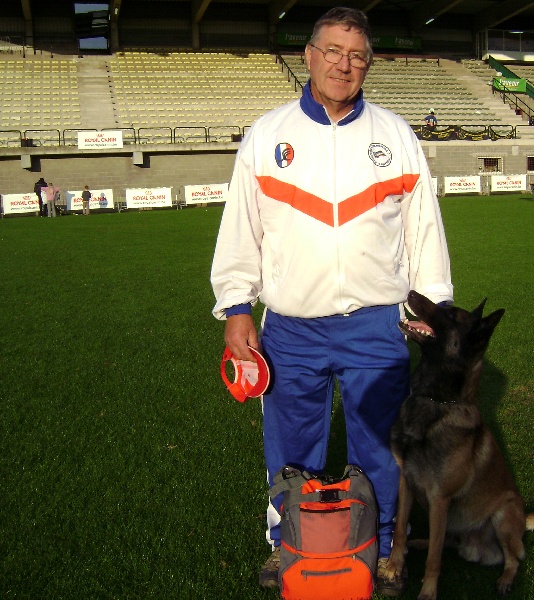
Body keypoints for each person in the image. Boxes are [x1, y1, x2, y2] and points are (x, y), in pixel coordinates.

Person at [209, 7, 452, 595]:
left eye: (357, 55)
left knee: (379, 446)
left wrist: (435, 312)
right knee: (291, 444)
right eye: (333, 51)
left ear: (368, 64)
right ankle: (285, 544)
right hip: (292, 326)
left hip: (377, 324)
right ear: (309, 56)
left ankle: (386, 550)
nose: (344, 65)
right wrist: (237, 306)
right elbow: (242, 229)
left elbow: (424, 231)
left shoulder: (396, 135)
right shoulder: (268, 135)